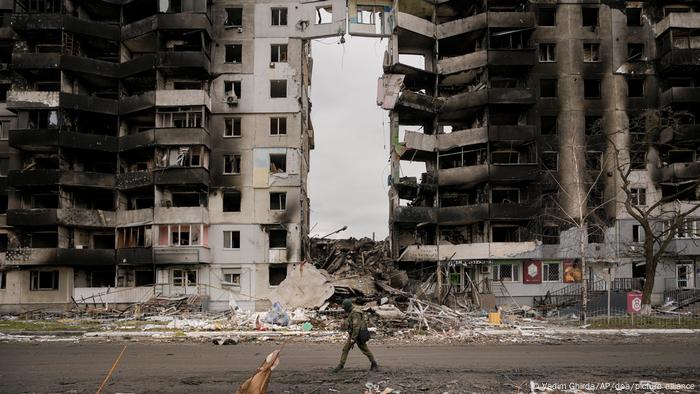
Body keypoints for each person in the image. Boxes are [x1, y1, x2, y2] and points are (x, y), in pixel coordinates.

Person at [332, 299, 378, 372]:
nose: (344, 309)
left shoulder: (355, 313)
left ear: (348, 307)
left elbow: (356, 326)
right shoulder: (353, 311)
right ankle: (341, 365)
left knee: (365, 350)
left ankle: (374, 363)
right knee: (345, 349)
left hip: (357, 335)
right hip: (354, 334)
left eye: (345, 308)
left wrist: (353, 338)